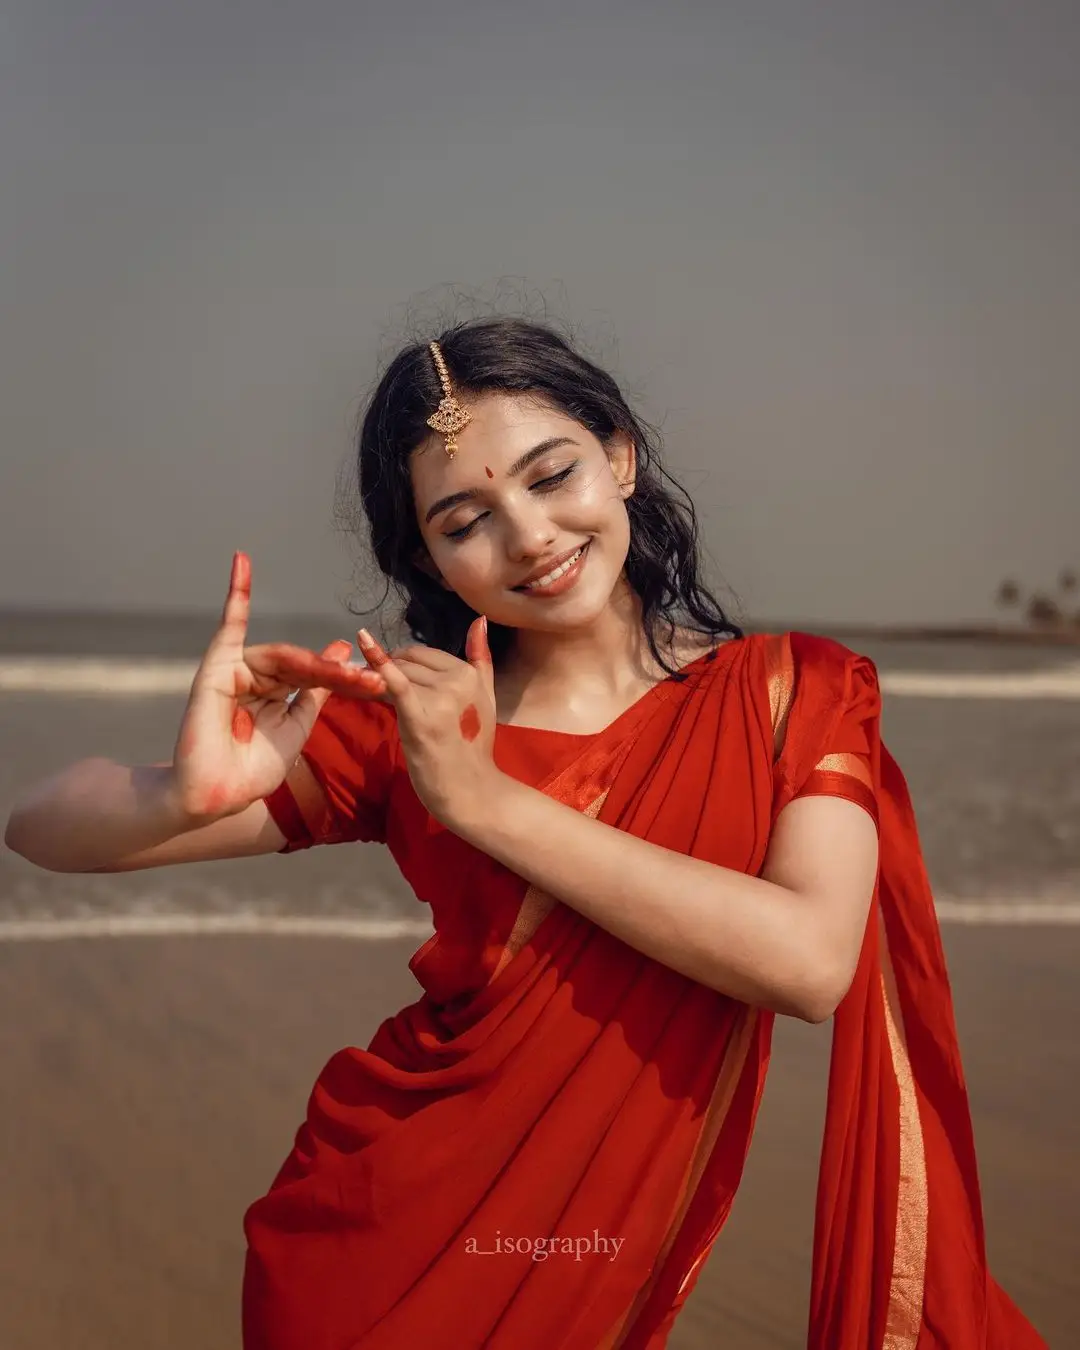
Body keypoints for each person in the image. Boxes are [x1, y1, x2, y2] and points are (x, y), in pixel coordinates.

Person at [5, 317, 1046, 1349]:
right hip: (372, 1250)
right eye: (467, 520)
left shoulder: (794, 694)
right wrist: (182, 796)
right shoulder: (415, 718)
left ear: (622, 458)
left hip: (592, 1266)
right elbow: (40, 829)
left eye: (553, 476)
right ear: (433, 560)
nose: (532, 535)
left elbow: (808, 962)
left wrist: (488, 803)